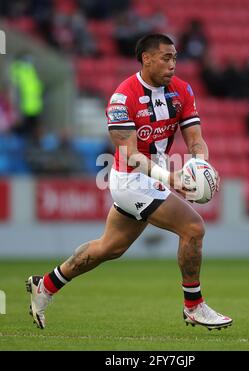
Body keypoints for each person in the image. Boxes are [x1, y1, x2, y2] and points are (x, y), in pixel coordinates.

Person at [26, 34, 233, 331]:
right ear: (146, 58)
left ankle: (44, 285)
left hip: (154, 179)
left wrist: (200, 164)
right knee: (193, 227)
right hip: (130, 180)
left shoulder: (182, 91)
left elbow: (196, 139)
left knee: (109, 248)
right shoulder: (123, 98)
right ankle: (194, 306)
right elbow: (130, 154)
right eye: (166, 58)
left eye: (174, 58)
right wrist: (172, 178)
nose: (172, 64)